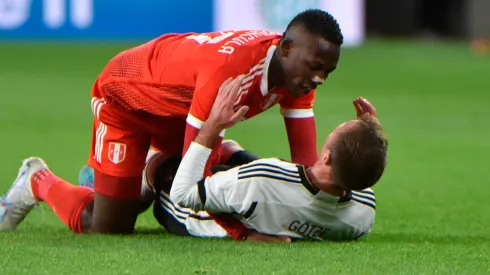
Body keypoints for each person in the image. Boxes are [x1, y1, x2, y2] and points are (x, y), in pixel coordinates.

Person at [0, 9, 344, 241]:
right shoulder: (230, 74)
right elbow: (195, 184)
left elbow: (304, 165)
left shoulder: (298, 77)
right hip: (125, 101)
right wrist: (246, 234)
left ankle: (139, 173)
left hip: (181, 113)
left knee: (237, 168)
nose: (320, 78)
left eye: (328, 71)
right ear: (285, 49)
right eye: (316, 67)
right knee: (107, 227)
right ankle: (37, 179)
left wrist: (328, 207)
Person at [167, 77, 388, 241]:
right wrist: (368, 134)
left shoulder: (264, 178)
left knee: (162, 164)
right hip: (278, 205)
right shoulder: (364, 210)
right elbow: (363, 167)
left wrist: (212, 126)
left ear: (327, 158)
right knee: (230, 150)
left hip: (195, 217)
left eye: (336, 130)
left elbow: (183, 193)